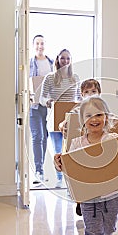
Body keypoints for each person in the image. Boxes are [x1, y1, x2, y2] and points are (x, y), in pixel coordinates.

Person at [53, 96, 118, 235]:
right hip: (89, 199)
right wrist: (59, 162)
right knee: (92, 229)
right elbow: (68, 168)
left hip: (112, 196)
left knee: (109, 227)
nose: (94, 119)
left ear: (106, 117)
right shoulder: (76, 144)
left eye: (98, 115)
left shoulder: (113, 139)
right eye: (88, 116)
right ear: (82, 120)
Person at [58, 78, 102, 217]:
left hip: (97, 147)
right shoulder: (79, 108)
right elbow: (66, 120)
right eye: (86, 92)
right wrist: (63, 125)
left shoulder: (103, 109)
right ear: (82, 95)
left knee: (96, 177)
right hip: (81, 148)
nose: (90, 95)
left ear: (99, 93)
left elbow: (113, 122)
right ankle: (80, 202)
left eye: (93, 91)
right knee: (81, 177)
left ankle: (97, 203)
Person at [39, 48, 81, 187]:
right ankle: (59, 178)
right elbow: (42, 98)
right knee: (58, 149)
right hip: (55, 119)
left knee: (71, 149)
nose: (65, 61)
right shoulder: (50, 77)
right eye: (63, 58)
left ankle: (70, 181)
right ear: (57, 59)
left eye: (68, 58)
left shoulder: (75, 78)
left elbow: (80, 98)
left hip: (71, 119)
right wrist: (49, 102)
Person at [29, 34, 54, 184]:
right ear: (33, 45)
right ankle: (38, 170)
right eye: (37, 43)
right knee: (37, 136)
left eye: (42, 43)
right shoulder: (30, 62)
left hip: (48, 106)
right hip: (34, 105)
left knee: (45, 137)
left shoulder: (51, 62)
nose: (40, 46)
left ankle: (42, 168)